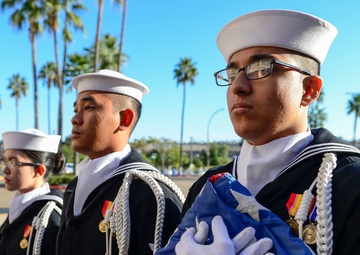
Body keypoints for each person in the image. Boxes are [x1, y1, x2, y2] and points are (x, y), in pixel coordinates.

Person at [179, 9, 360, 254]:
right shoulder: (207, 184)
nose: (238, 87)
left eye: (260, 68)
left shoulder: (349, 182)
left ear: (309, 90)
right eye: (232, 74)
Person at [56, 69, 184, 255]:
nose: (75, 119)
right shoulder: (73, 187)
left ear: (124, 119)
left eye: (89, 108)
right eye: (76, 109)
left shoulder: (152, 194)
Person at [0, 128, 65, 255]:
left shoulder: (51, 219)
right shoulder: (20, 206)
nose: (5, 170)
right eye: (5, 161)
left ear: (39, 170)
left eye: (14, 162)